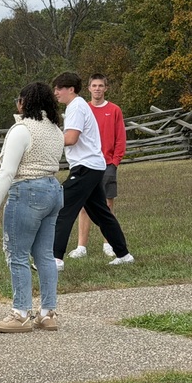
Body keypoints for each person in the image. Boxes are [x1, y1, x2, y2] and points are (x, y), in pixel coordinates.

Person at [0, 82, 65, 332]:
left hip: (27, 192)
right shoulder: (56, 129)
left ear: (25, 102)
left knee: (17, 253)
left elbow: (8, 170)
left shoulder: (22, 129)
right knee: (44, 255)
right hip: (53, 190)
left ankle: (20, 313)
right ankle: (48, 313)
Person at [51, 72, 134, 269]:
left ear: (70, 89)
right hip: (93, 166)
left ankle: (55, 259)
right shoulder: (78, 106)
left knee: (63, 208)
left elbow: (71, 138)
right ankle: (123, 254)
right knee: (102, 214)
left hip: (85, 167)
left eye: (58, 89)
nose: (55, 93)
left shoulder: (76, 108)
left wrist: (47, 141)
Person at [67, 73, 126, 260]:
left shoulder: (114, 110)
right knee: (84, 205)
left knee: (106, 204)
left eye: (101, 85)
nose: (97, 89)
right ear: (89, 88)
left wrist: (115, 162)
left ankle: (108, 243)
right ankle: (81, 246)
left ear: (105, 88)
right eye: (94, 85)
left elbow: (120, 138)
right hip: (87, 163)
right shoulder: (84, 109)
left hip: (106, 163)